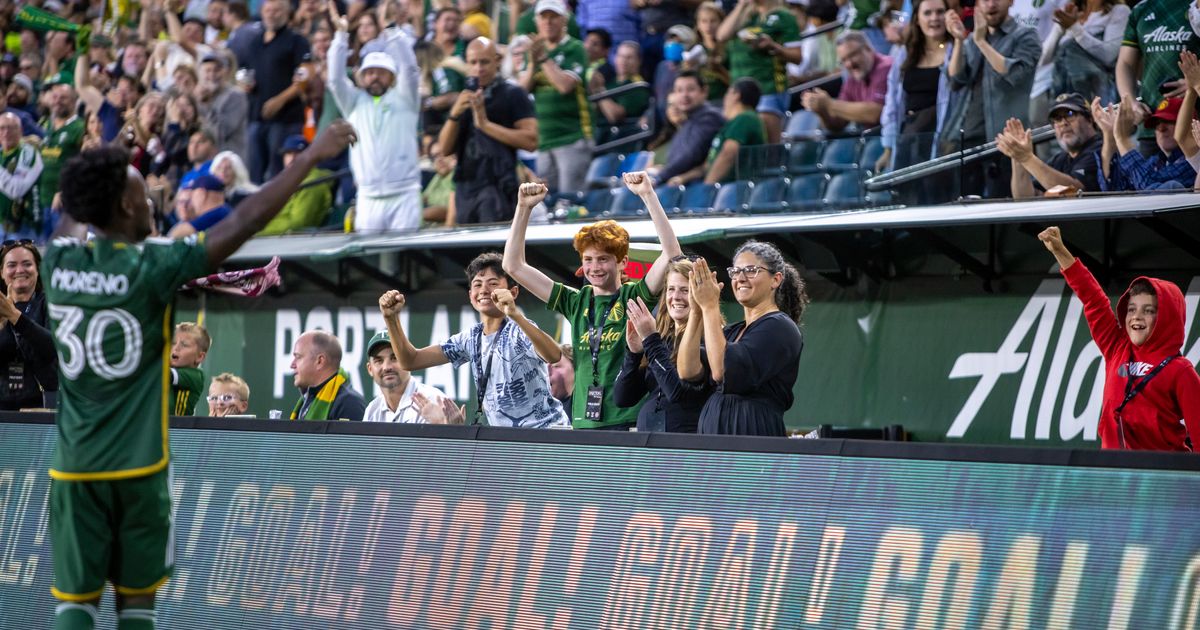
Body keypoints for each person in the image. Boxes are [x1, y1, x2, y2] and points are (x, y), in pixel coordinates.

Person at [44, 121, 355, 628]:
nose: (154, 203)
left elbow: (72, 215)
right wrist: (310, 157)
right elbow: (245, 220)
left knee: (74, 607)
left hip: (73, 468)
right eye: (144, 195)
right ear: (124, 206)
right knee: (137, 606)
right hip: (139, 469)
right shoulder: (154, 264)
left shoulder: (56, 261)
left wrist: (109, 161)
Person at [503, 172, 683, 429]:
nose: (594, 267)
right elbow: (513, 266)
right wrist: (523, 209)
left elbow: (671, 254)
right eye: (588, 260)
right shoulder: (576, 301)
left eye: (603, 259)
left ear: (622, 263)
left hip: (627, 420)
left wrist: (647, 194)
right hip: (583, 422)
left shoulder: (633, 296)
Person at [1038, 226, 1200, 450]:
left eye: (1148, 311)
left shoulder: (1181, 371)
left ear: (1167, 317)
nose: (1136, 317)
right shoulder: (1117, 347)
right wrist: (1060, 251)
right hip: (1112, 468)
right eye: (1131, 309)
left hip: (1161, 471)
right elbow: (1093, 300)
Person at [379, 252, 569, 427]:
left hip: (548, 435)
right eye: (477, 284)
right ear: (471, 295)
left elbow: (554, 355)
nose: (484, 290)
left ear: (513, 292)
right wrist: (391, 318)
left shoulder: (519, 329)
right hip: (509, 443)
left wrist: (515, 314)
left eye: (493, 283)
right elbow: (410, 361)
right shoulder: (470, 338)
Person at [679, 241, 807, 436]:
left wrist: (710, 306)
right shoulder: (732, 332)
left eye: (751, 270)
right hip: (713, 439)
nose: (740, 278)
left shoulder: (780, 327)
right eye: (736, 271)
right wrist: (697, 311)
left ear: (776, 280)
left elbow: (722, 371)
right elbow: (687, 371)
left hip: (751, 433)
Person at [328, 0, 423, 232]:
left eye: (381, 72)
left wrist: (391, 30)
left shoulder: (406, 98)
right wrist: (340, 36)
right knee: (369, 252)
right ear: (362, 77)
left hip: (405, 194)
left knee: (406, 252)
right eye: (369, 72)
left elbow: (410, 69)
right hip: (367, 197)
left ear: (392, 77)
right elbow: (335, 79)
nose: (375, 77)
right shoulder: (353, 103)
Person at [944, 0, 1041, 198]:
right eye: (984, 0)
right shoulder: (974, 38)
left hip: (1005, 140)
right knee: (964, 207)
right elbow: (955, 80)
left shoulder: (1025, 35)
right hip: (968, 138)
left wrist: (982, 42)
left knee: (1004, 204)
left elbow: (1015, 74)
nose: (991, 4)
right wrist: (959, 40)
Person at [438, 37, 538, 225]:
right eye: (473, 62)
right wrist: (454, 114)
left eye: (484, 62)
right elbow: (444, 149)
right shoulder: (464, 97)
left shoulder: (513, 93)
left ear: (497, 61)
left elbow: (531, 141)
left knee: (496, 243)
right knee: (467, 243)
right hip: (466, 188)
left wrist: (485, 125)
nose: (478, 68)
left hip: (499, 186)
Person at [613, 257, 713, 432]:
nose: (676, 297)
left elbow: (676, 392)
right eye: (671, 289)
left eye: (685, 290)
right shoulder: (662, 339)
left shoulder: (708, 336)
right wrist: (634, 354)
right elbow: (622, 398)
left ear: (699, 295)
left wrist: (651, 339)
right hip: (650, 440)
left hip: (684, 441)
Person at [518, 0, 593, 193]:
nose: (548, 22)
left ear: (564, 20)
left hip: (572, 137)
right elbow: (522, 92)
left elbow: (564, 86)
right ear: (536, 21)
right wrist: (532, 63)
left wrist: (543, 58)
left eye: (554, 17)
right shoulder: (533, 52)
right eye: (543, 17)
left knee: (570, 199)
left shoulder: (575, 48)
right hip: (544, 140)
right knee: (545, 199)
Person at [879, 0, 954, 176]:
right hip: (909, 136)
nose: (934, 18)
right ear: (917, 19)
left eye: (940, 12)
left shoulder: (957, 49)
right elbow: (892, 101)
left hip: (943, 139)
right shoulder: (906, 52)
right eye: (927, 13)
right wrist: (888, 147)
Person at [1114, 0, 1199, 156]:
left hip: (1193, 122)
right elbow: (1125, 63)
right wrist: (1131, 102)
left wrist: (1195, 83)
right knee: (1148, 172)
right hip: (1152, 121)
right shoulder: (1141, 9)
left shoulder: (1196, 6)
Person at [242, 0, 312, 183]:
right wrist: (245, 83)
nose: (272, 14)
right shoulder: (255, 42)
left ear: (287, 13)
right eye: (268, 10)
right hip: (256, 117)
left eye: (277, 10)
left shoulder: (296, 41)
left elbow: (305, 77)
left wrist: (280, 100)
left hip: (286, 119)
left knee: (278, 174)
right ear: (262, 12)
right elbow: (244, 71)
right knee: (254, 174)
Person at [717, 0, 802, 143]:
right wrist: (741, 5)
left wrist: (772, 46)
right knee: (738, 142)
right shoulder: (744, 15)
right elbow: (721, 36)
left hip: (767, 88)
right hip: (739, 91)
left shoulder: (784, 16)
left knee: (768, 146)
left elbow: (797, 57)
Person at [997, 93, 1103, 198]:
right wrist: (1018, 158)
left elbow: (1073, 191)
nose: (1063, 123)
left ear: (1090, 119)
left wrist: (1027, 158)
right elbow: (1026, 197)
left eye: (1070, 114)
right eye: (1057, 118)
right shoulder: (1060, 160)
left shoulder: (1101, 148)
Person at [1094, 95, 1196, 191]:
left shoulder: (1193, 162)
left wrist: (1122, 139)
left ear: (1193, 126)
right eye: (1157, 124)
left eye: (1171, 121)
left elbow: (1148, 188)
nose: (1161, 129)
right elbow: (1113, 190)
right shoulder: (1155, 161)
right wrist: (1109, 137)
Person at [0, 240, 57, 410]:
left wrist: (14, 316)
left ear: (38, 269)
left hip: (43, 405)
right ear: (1, 272)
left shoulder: (52, 303)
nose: (19, 270)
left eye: (27, 264)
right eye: (12, 265)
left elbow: (54, 346)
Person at [1038, 0, 1128, 105]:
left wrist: (1074, 27)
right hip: (1062, 96)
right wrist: (1060, 27)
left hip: (1099, 97)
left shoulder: (1119, 11)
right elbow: (1042, 59)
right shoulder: (1070, 10)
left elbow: (1108, 56)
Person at [361, 330, 461, 423]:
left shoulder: (434, 402)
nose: (387, 367)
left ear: (407, 361)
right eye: (379, 361)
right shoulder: (372, 410)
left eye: (395, 358)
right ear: (370, 369)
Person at [802, 31, 893, 132]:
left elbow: (876, 114)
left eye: (852, 55)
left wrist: (829, 104)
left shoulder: (885, 67)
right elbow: (838, 124)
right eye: (844, 60)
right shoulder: (853, 77)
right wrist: (821, 110)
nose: (849, 64)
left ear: (868, 49)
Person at [651, 72, 725, 186]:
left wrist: (659, 177)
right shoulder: (688, 122)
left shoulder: (709, 118)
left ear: (704, 91)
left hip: (696, 186)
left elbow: (690, 156)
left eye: (690, 89)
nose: (684, 95)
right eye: (679, 90)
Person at [258, 136, 334, 235]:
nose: (292, 158)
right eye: (288, 153)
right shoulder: (285, 181)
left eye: (298, 153)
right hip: (272, 238)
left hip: (291, 241)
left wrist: (258, 231)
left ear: (309, 156)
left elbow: (298, 224)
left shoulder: (313, 183)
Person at [289, 329, 368, 421]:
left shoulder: (349, 404)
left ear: (320, 361)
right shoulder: (307, 401)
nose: (292, 365)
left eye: (298, 357)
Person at [0, 112, 43, 242]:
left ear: (21, 130)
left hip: (24, 226)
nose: (6, 132)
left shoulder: (28, 153)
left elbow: (16, 189)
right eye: (2, 128)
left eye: (12, 128)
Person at [167, 174, 232, 238]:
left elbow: (176, 234)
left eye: (192, 195)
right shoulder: (225, 211)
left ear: (202, 194)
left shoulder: (216, 213)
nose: (192, 200)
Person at [169, 322, 209, 416]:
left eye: (184, 345)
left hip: (178, 425)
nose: (176, 348)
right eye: (173, 343)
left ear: (199, 357)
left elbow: (167, 375)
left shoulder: (197, 376)